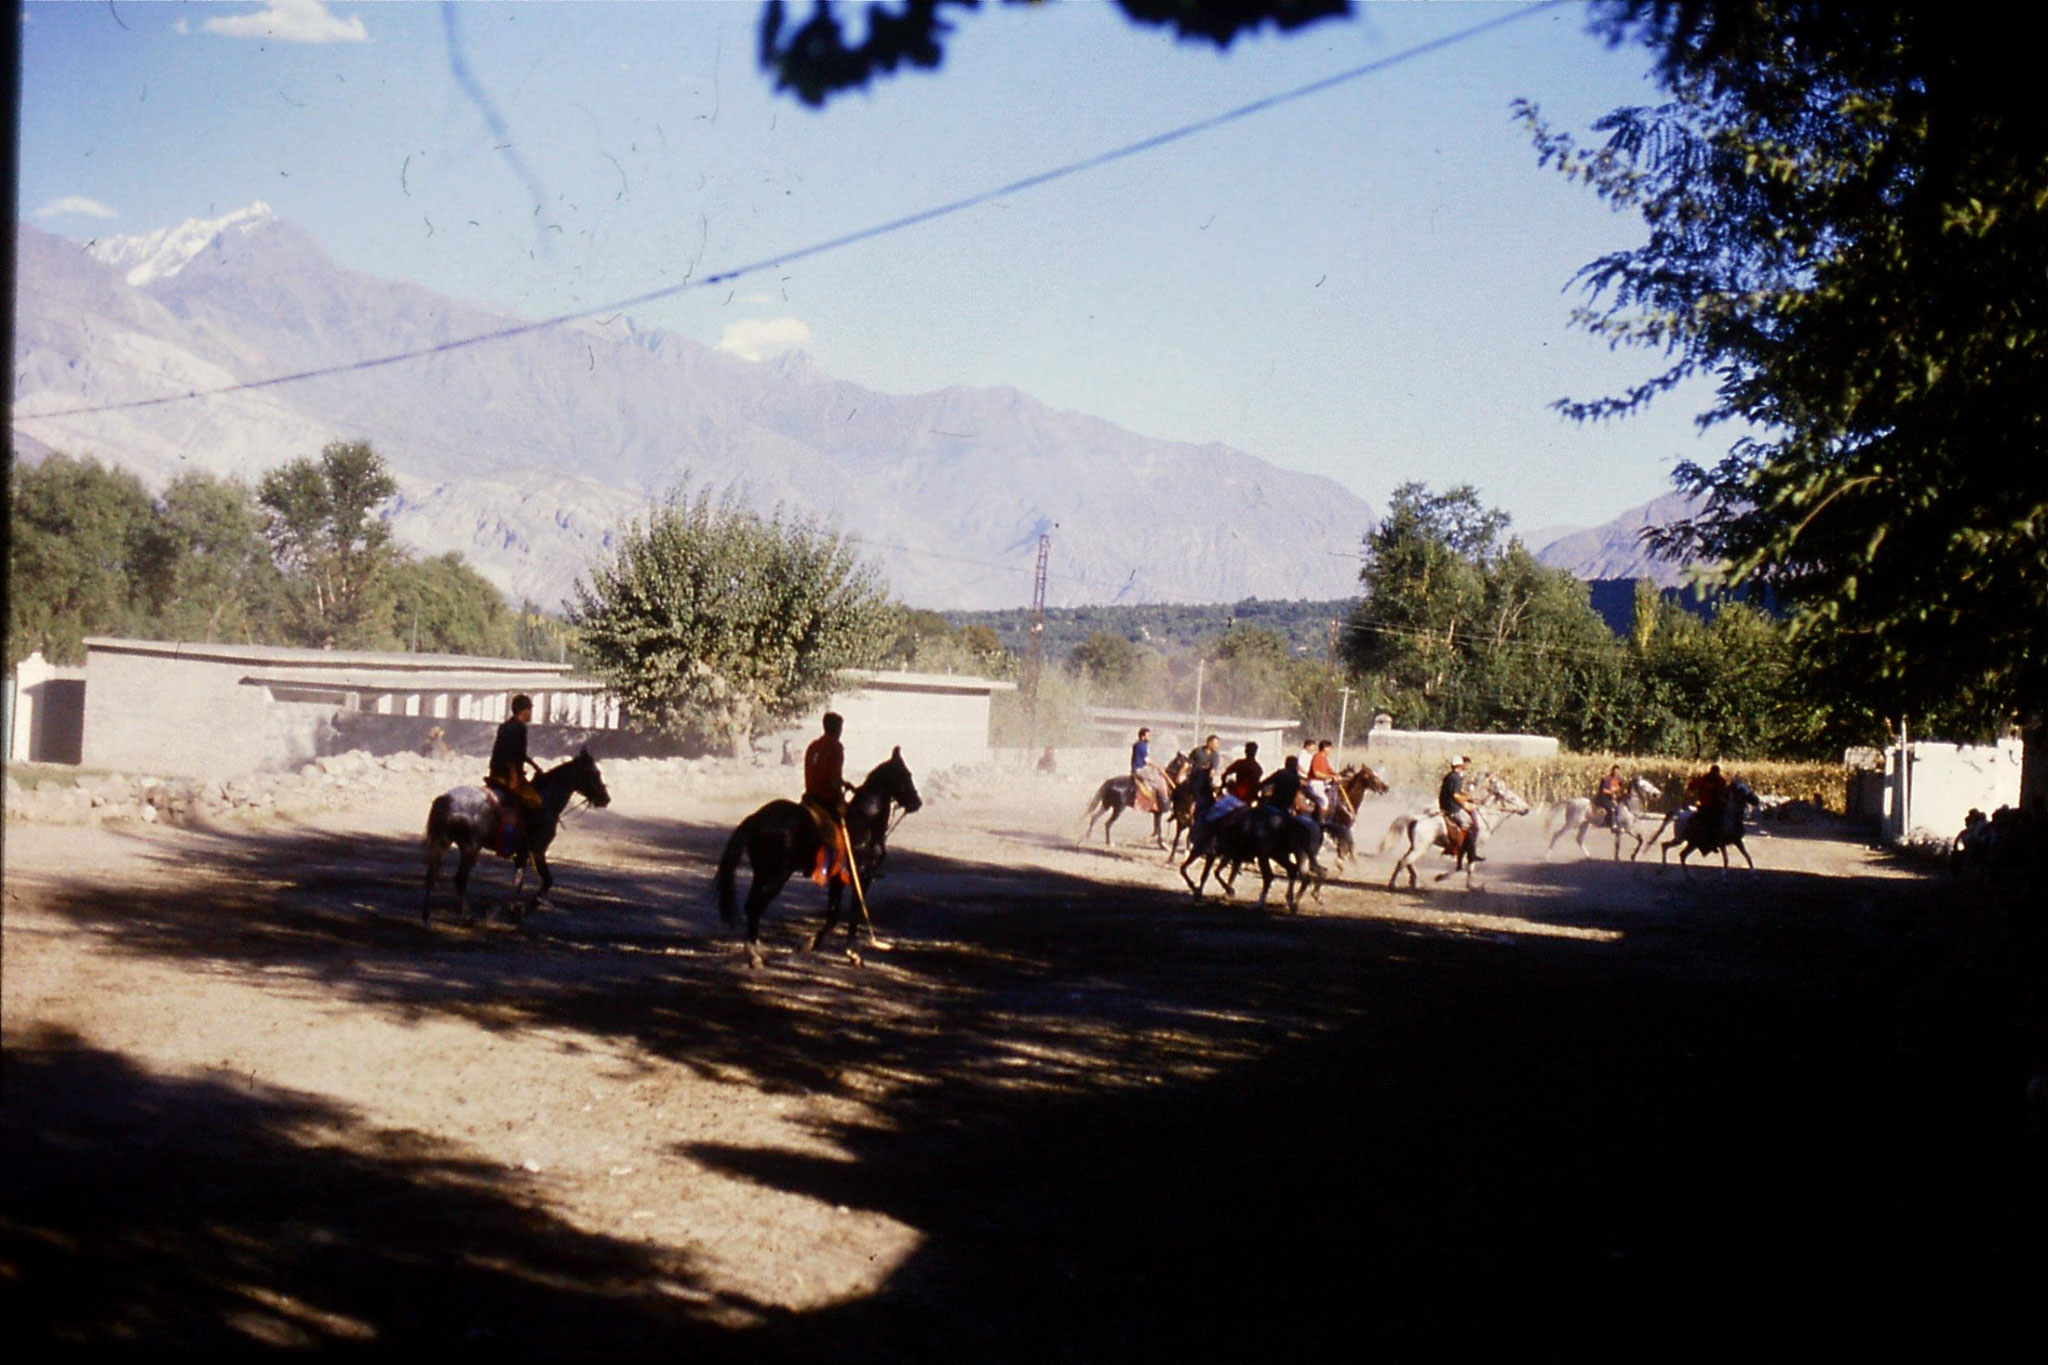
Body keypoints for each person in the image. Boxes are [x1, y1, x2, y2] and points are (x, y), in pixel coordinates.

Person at [486, 694, 544, 854]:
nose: (531, 713)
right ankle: (513, 843)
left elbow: (517, 752)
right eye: (530, 709)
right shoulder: (519, 728)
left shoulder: (505, 726)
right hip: (508, 776)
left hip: (495, 773)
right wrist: (514, 778)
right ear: (524, 711)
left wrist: (533, 765)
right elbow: (511, 755)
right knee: (533, 801)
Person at [804, 712, 856, 883]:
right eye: (840, 728)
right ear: (837, 728)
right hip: (826, 800)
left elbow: (821, 772)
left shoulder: (814, 746)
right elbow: (833, 780)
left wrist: (845, 783)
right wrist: (841, 797)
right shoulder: (835, 747)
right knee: (850, 827)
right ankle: (840, 868)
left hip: (810, 797)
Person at [1439, 754, 1484, 863]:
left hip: (1446, 805)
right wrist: (1466, 801)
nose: (1465, 766)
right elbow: (1455, 796)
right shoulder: (1456, 778)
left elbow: (1457, 791)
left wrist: (1468, 796)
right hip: (1453, 808)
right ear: (1460, 765)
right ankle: (1467, 852)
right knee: (1472, 827)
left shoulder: (1450, 776)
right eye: (1463, 765)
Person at [1687, 762, 1730, 832]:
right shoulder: (1704, 779)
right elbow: (1691, 787)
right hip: (1706, 805)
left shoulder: (1720, 780)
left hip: (1716, 805)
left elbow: (1725, 792)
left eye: (1716, 772)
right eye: (1714, 772)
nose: (1714, 774)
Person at [1305, 739, 1340, 818]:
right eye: (1329, 748)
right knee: (1324, 801)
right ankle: (1321, 821)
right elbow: (1316, 773)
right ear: (1325, 748)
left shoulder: (1324, 759)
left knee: (1333, 797)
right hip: (1314, 783)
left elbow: (1330, 770)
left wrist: (1337, 775)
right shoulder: (1317, 757)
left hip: (1322, 784)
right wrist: (1331, 777)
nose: (1330, 750)